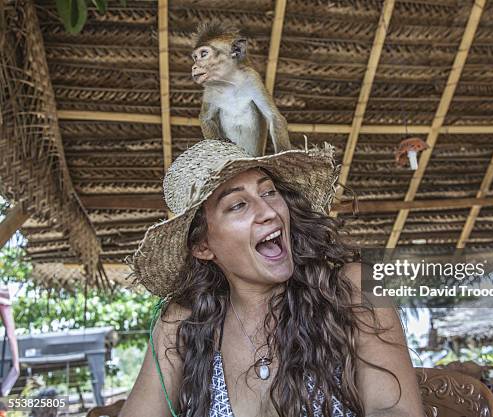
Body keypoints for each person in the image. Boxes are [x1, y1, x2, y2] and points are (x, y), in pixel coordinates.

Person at [120, 138, 424, 417]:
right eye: (238, 204)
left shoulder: (358, 286)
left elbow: (396, 411)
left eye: (269, 192)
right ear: (203, 246)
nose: (268, 211)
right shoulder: (183, 321)